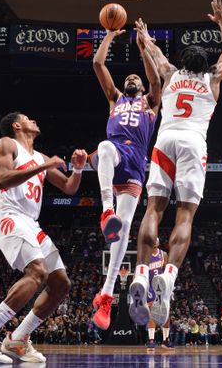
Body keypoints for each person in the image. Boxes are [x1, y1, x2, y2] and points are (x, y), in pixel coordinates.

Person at [128, 0, 222, 327]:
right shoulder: (213, 79)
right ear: (206, 65)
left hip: (166, 139)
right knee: (185, 214)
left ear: (183, 61)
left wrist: (144, 35)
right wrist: (221, 23)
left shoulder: (171, 73)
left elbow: (151, 50)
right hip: (193, 141)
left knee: (153, 209)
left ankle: (142, 273)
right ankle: (170, 277)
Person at [0, 112, 87, 364]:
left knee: (61, 283)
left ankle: (18, 339)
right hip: (9, 215)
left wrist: (78, 168)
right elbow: (1, 180)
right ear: (17, 125)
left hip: (31, 223)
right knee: (37, 272)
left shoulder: (40, 156)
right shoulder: (7, 144)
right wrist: (43, 166)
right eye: (29, 118)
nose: (35, 120)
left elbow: (69, 187)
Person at [89, 26, 161, 330]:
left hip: (136, 164)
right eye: (127, 77)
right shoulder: (114, 98)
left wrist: (144, 47)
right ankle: (106, 210)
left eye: (136, 78)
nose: (131, 78)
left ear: (143, 87)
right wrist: (108, 35)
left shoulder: (152, 103)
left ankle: (106, 295)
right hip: (116, 152)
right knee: (104, 147)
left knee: (126, 227)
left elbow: (156, 78)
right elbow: (97, 64)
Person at [144, 238, 171, 349]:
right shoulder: (145, 254)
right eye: (153, 240)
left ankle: (166, 340)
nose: (154, 242)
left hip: (161, 286)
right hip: (150, 286)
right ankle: (151, 340)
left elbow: (168, 271)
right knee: (151, 313)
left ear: (158, 243)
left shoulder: (163, 254)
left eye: (156, 241)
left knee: (166, 312)